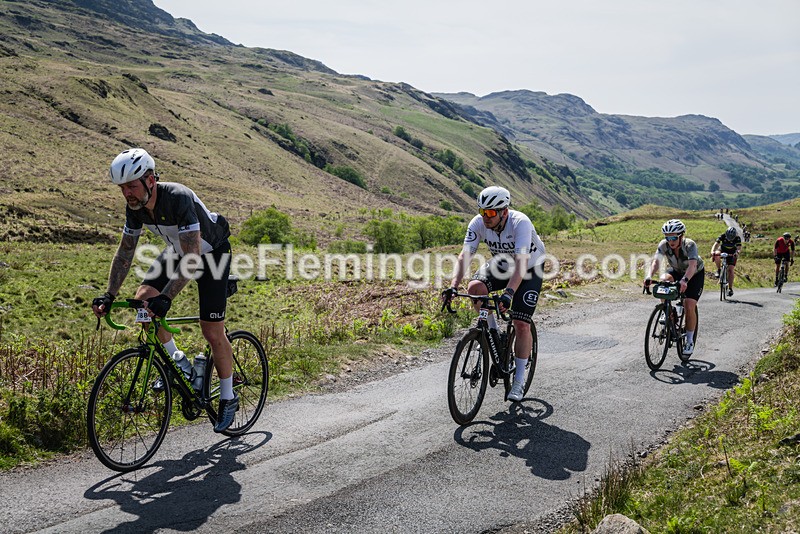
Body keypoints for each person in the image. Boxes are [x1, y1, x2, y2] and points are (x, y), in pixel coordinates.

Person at [91, 148, 239, 433]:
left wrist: (167, 298)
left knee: (211, 330)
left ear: (150, 180)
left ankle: (228, 397)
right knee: (143, 300)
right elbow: (125, 254)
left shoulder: (178, 198)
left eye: (132, 186)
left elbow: (193, 257)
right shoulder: (134, 207)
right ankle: (179, 362)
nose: (127, 194)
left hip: (211, 253)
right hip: (177, 251)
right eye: (122, 188)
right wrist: (109, 294)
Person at [442, 186, 546, 402]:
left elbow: (521, 264)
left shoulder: (521, 223)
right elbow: (465, 256)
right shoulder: (478, 223)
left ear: (504, 212)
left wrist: (509, 293)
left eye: (490, 213)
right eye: (482, 212)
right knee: (475, 289)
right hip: (503, 262)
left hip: (529, 266)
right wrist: (453, 286)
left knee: (521, 323)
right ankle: (493, 332)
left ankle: (518, 381)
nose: (485, 217)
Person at [643, 219, 704, 356]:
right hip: (676, 270)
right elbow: (656, 262)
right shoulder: (664, 245)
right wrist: (648, 276)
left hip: (694, 274)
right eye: (667, 237)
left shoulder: (689, 245)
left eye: (673, 237)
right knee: (663, 281)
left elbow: (692, 266)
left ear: (681, 236)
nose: (670, 240)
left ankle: (689, 340)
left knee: (689, 306)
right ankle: (668, 311)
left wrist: (685, 281)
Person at [710, 226, 742, 297]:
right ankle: (719, 270)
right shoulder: (722, 236)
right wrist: (712, 251)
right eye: (728, 237)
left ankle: (730, 288)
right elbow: (716, 244)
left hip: (732, 253)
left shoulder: (737, 238)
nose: (730, 239)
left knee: (730, 270)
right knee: (716, 255)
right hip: (723, 250)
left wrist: (737, 253)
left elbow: (739, 248)